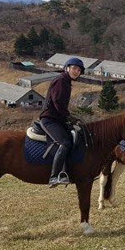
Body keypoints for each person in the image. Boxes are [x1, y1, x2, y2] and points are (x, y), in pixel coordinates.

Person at [39, 57, 84, 187]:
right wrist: (69, 117)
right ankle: (54, 176)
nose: (76, 71)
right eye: (74, 68)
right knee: (64, 143)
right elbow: (57, 102)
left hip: (58, 118)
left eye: (79, 70)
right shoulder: (61, 80)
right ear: (67, 68)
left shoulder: (66, 81)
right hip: (49, 119)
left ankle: (66, 172)